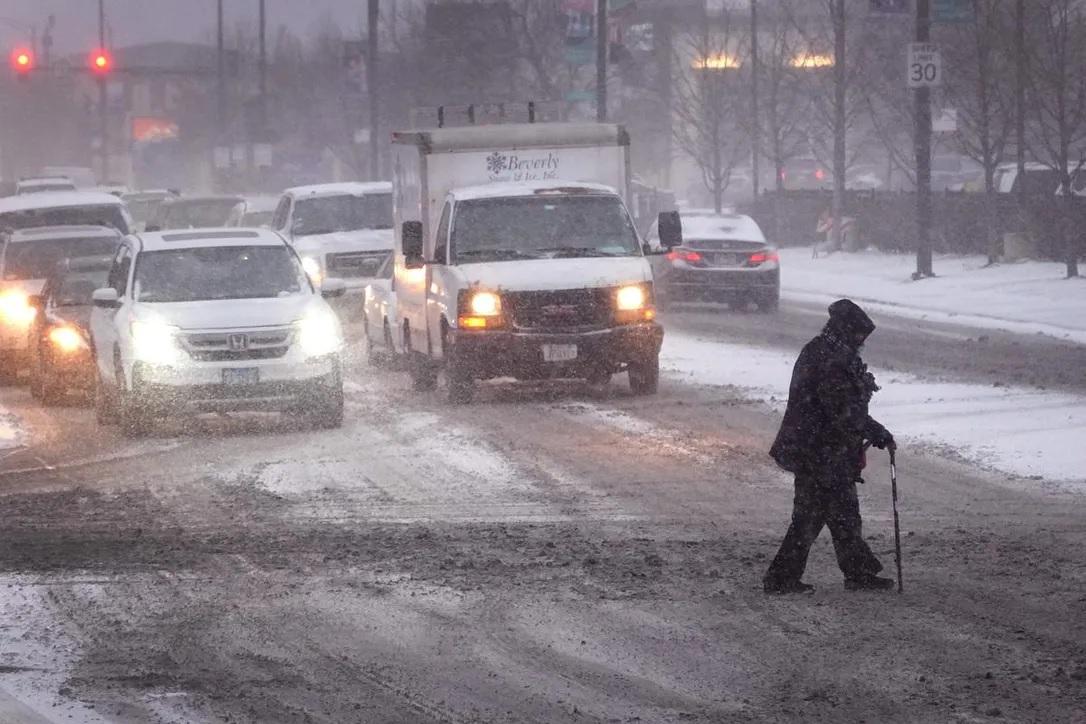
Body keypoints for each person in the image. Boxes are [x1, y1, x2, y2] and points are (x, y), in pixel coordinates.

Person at [763, 299, 896, 594]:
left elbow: (845, 410)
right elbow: (841, 410)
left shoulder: (829, 351)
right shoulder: (829, 359)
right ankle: (781, 577)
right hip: (816, 450)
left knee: (843, 512)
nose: (862, 342)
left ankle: (857, 571)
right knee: (810, 517)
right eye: (859, 336)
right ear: (846, 331)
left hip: (824, 450)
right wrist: (874, 431)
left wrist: (870, 429)